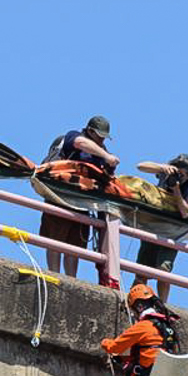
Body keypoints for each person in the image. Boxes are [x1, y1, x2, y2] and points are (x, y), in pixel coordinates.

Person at [40, 115, 118, 279]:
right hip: (60, 199)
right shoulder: (73, 136)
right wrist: (106, 155)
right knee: (55, 241)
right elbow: (80, 143)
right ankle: (53, 276)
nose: (102, 140)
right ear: (90, 131)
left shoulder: (102, 154)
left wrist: (109, 164)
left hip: (82, 206)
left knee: (74, 247)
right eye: (100, 136)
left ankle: (70, 280)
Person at [133, 154, 188, 301]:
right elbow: (140, 166)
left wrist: (176, 189)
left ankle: (163, 304)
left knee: (163, 270)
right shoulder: (165, 173)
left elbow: (185, 212)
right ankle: (135, 300)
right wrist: (162, 168)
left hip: (173, 231)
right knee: (142, 272)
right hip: (153, 226)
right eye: (177, 172)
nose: (178, 177)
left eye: (183, 176)